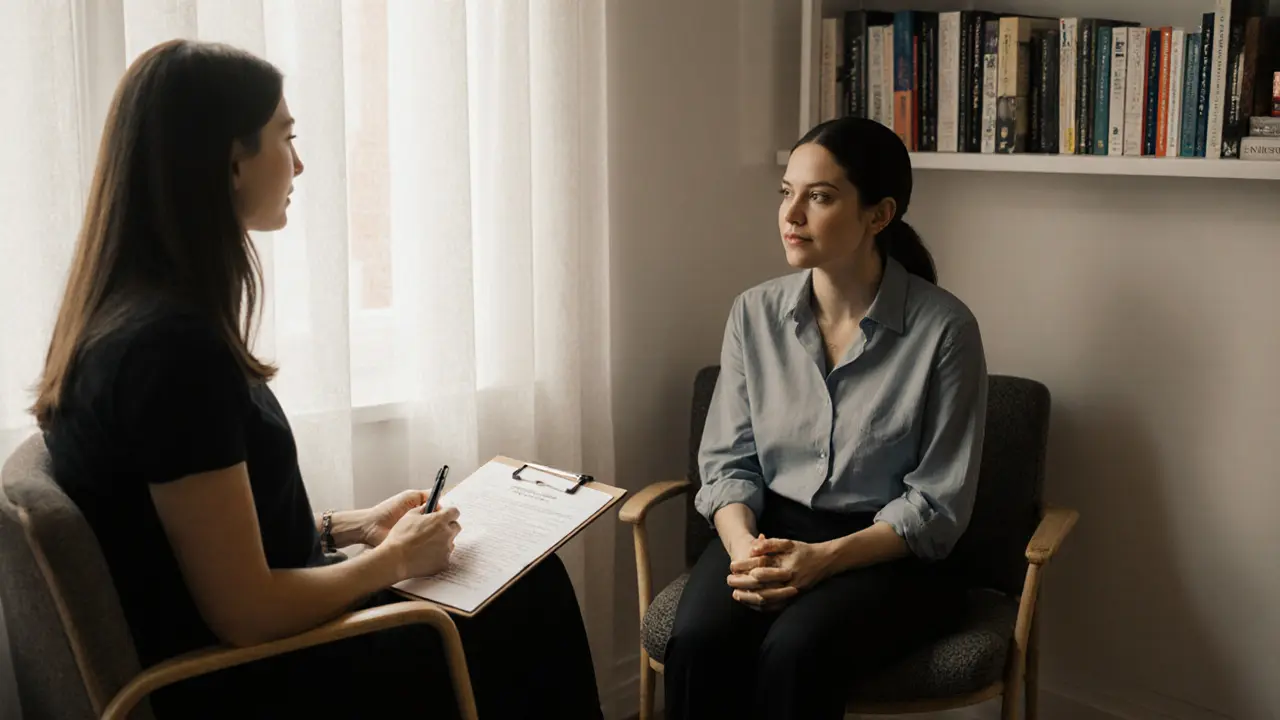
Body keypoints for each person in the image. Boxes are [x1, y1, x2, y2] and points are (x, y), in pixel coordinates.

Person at [33, 39, 601, 720]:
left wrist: (348, 529)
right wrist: (393, 562)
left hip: (236, 656)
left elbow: (197, 545)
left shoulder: (127, 324)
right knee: (529, 594)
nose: (299, 163)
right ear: (230, 160)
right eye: (285, 136)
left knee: (504, 588)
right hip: (254, 680)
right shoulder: (173, 356)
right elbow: (245, 611)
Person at [663, 117, 990, 720]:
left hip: (889, 551)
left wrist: (825, 558)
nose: (791, 215)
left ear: (879, 215)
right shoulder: (752, 314)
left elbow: (938, 506)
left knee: (796, 651)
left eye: (819, 196)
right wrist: (742, 550)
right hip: (767, 528)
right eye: (787, 192)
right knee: (697, 643)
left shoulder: (946, 331)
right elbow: (727, 462)